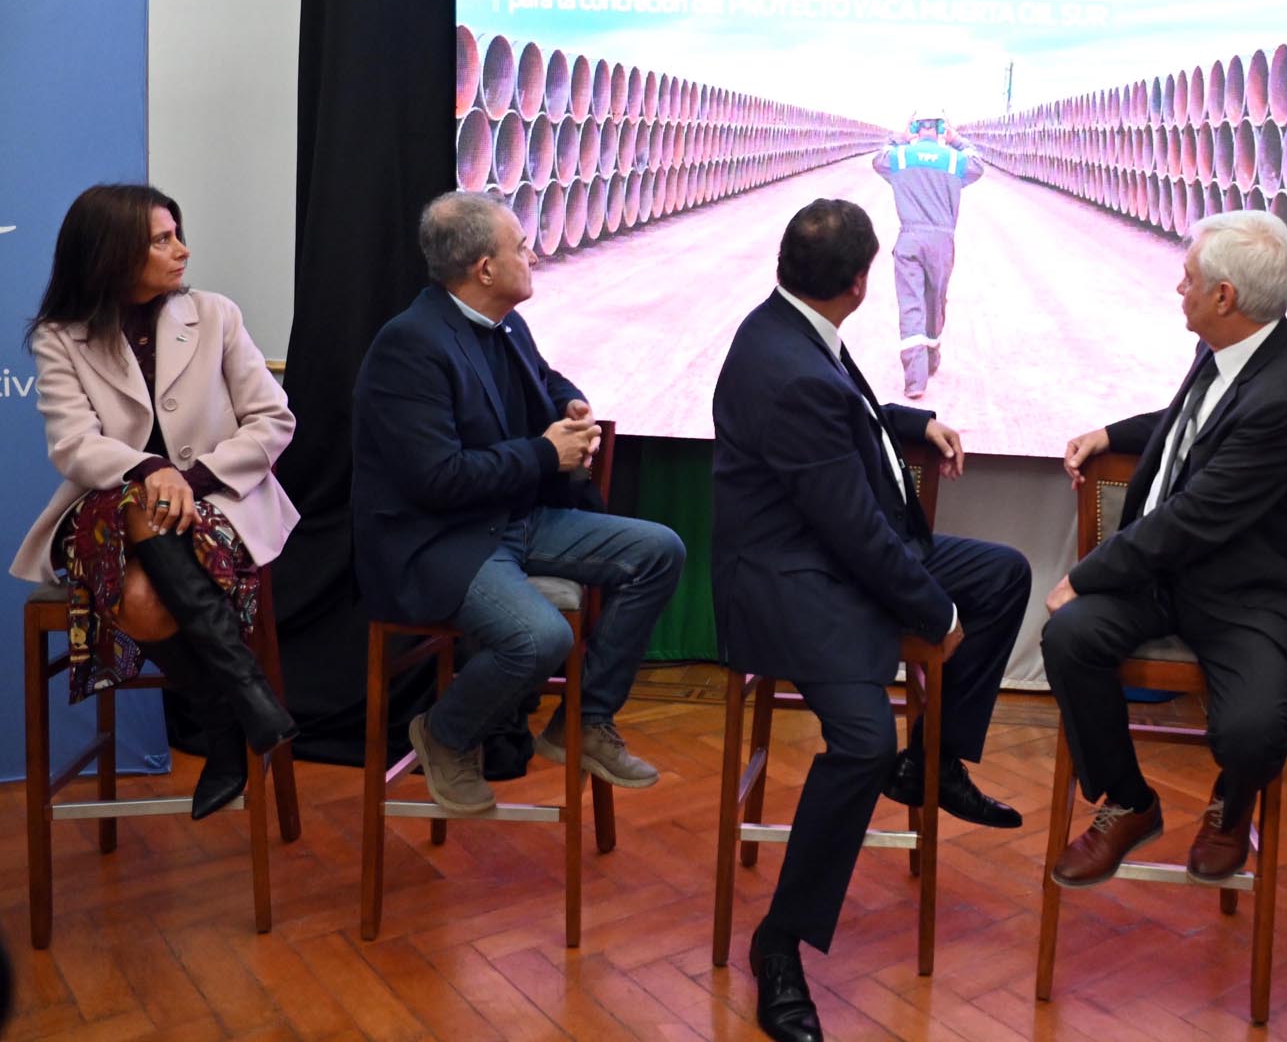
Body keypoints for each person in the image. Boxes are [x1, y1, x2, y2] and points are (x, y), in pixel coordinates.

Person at [712, 198, 1031, 1042]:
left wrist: (914, 422)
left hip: (840, 556)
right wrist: (935, 612)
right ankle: (779, 944)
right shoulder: (791, 368)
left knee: (1002, 575)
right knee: (862, 743)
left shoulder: (792, 326)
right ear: (860, 283)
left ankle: (935, 764)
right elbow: (851, 530)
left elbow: (846, 415)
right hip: (795, 582)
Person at [351, 191, 684, 815]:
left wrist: (569, 404)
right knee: (539, 637)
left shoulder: (503, 322)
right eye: (521, 247)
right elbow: (437, 480)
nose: (532, 256)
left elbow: (543, 378)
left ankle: (584, 721)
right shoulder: (410, 346)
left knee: (659, 551)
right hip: (439, 540)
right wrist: (544, 453)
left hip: (513, 519)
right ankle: (444, 734)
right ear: (484, 268)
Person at [1043, 209, 1287, 887]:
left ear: (1225, 296)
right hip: (1167, 579)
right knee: (1071, 639)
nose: (1180, 287)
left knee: (1251, 734)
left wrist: (1084, 576)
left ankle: (1232, 802)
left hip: (1246, 594)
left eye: (1189, 277)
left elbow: (1193, 519)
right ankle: (1129, 801)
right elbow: (1194, 424)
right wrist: (1111, 433)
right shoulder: (1232, 348)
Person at [11, 184, 299, 820]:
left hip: (220, 500)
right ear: (112, 252)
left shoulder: (216, 314)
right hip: (109, 509)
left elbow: (273, 420)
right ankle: (242, 703)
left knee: (141, 599)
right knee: (139, 504)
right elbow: (73, 444)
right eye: (162, 240)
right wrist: (151, 469)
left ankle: (228, 722)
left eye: (177, 234)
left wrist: (190, 478)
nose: (182, 250)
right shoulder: (61, 336)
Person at [870, 112, 983, 399]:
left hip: (909, 239)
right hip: (942, 242)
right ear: (942, 128)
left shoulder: (901, 157)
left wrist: (899, 137)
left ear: (916, 128)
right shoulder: (954, 160)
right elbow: (978, 164)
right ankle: (931, 359)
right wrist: (957, 140)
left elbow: (878, 159)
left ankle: (915, 380)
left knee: (911, 305)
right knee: (935, 302)